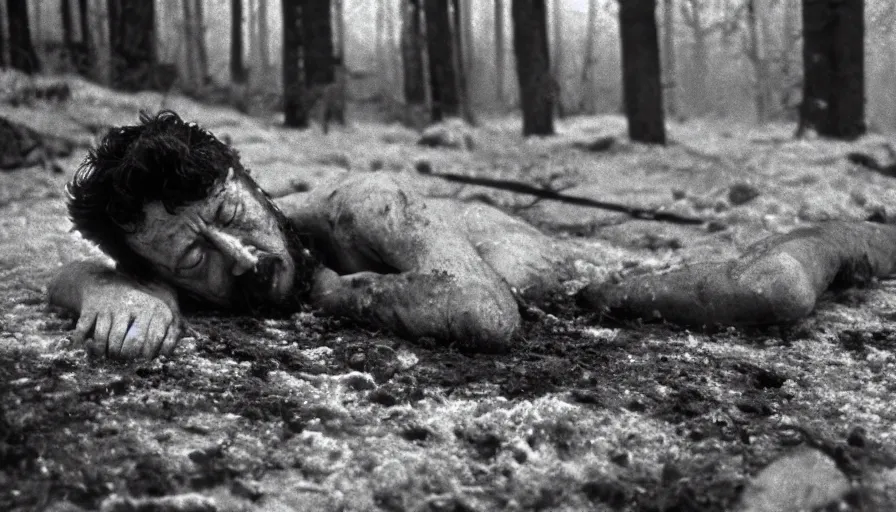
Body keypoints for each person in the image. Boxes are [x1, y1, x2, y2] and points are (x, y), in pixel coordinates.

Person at [48, 111, 896, 359]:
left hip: (587, 281)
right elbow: (47, 270)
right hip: (549, 282)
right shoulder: (164, 274)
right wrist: (114, 286)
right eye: (194, 257)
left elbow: (488, 317)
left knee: (773, 289)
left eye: (232, 219)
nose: (243, 259)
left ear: (256, 188)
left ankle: (853, 233)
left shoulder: (358, 207)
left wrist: (340, 294)